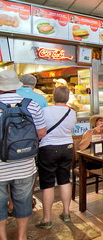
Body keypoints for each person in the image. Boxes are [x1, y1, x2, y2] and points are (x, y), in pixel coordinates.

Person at [0, 70, 46, 240]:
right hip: (25, 165)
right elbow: (41, 133)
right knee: (23, 202)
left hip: (0, 168)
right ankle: (22, 237)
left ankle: (3, 237)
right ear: (16, 86)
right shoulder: (31, 104)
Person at [35, 86, 77, 229]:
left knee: (48, 184)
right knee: (65, 180)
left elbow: (39, 130)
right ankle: (66, 213)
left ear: (53, 97)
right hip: (67, 148)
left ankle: (46, 219)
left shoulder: (44, 111)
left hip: (48, 149)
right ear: (67, 97)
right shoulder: (72, 113)